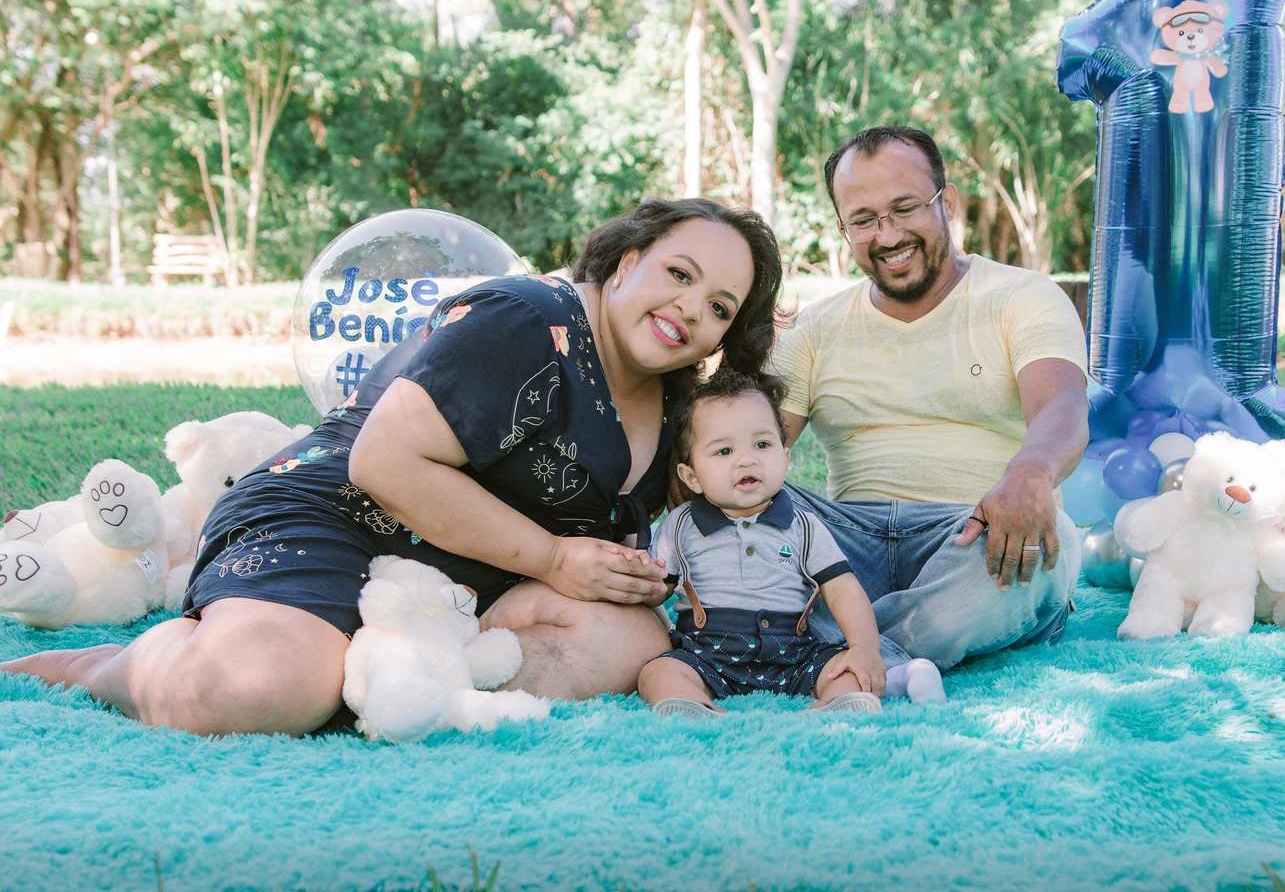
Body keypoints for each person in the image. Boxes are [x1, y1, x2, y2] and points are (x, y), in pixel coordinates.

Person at [0, 197, 783, 736]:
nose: (692, 308)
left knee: (629, 640)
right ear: (629, 260)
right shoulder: (526, 320)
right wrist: (554, 558)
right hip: (338, 519)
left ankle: (377, 677)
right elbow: (384, 461)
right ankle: (110, 666)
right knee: (258, 684)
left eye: (720, 306)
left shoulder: (677, 402)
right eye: (680, 274)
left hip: (469, 582)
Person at [770, 126, 1090, 670]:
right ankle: (888, 656)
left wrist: (1032, 472)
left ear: (949, 203)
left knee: (1044, 538)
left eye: (905, 208)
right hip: (847, 550)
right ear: (844, 229)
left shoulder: (1021, 296)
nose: (888, 235)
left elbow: (1063, 405)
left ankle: (837, 649)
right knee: (743, 510)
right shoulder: (813, 330)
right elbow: (749, 445)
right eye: (864, 220)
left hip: (979, 535)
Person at [637, 368, 945, 718]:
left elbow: (842, 589)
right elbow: (660, 585)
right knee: (658, 671)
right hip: (706, 653)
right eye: (724, 451)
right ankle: (691, 703)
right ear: (691, 476)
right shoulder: (681, 525)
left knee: (844, 669)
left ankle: (838, 704)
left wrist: (863, 648)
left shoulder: (803, 525)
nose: (746, 459)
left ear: (785, 458)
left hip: (794, 653)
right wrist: (646, 581)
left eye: (762, 445)